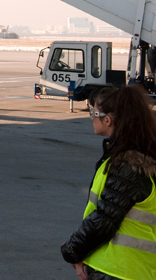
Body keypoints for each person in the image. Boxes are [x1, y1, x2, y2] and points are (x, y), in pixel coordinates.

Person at [61, 85, 156, 279]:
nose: (91, 118)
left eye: (93, 113)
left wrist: (72, 251)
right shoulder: (139, 158)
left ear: (107, 120)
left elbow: (104, 220)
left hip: (119, 269)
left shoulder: (129, 166)